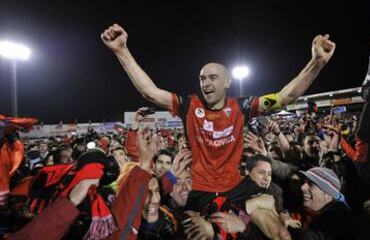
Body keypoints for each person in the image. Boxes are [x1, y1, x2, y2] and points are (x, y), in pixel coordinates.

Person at [101, 23, 336, 210]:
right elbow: (149, 92)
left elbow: (285, 97)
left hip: (236, 186)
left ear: (227, 82)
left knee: (280, 234)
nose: (206, 83)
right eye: (203, 78)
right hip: (198, 189)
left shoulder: (243, 105)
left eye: (213, 78)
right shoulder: (188, 105)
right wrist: (122, 51)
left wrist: (316, 63)